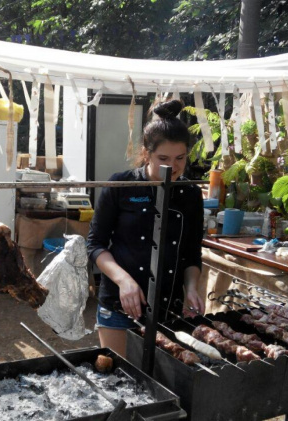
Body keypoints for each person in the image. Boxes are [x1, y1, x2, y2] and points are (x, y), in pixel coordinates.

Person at [87, 99, 205, 357]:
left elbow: (191, 253)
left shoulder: (191, 194)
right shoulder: (121, 185)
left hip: (169, 308)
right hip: (120, 305)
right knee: (116, 377)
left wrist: (192, 287)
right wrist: (124, 281)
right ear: (146, 152)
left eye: (180, 158)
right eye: (163, 158)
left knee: (161, 382)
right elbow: (95, 245)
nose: (172, 167)